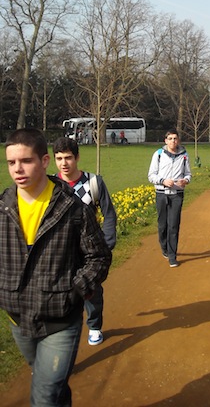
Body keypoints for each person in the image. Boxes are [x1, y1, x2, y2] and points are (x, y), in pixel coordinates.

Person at [0, 128, 111, 406]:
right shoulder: (2, 208)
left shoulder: (72, 208)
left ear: (44, 161)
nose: (17, 169)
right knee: (52, 386)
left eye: (26, 161)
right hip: (18, 319)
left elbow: (99, 257)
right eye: (11, 162)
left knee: (44, 395)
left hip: (60, 319)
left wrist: (75, 291)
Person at [53, 137, 117, 346]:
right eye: (59, 158)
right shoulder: (51, 185)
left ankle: (94, 325)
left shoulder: (94, 182)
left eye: (68, 158)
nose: (64, 163)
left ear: (77, 157)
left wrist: (107, 243)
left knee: (92, 290)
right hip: (62, 250)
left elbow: (109, 213)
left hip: (90, 250)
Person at [148, 129, 191, 267]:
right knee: (163, 225)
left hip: (177, 194)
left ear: (178, 140)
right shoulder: (158, 154)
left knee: (173, 225)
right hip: (161, 193)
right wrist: (163, 181)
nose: (173, 141)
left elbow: (188, 174)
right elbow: (151, 175)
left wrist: (185, 180)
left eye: (175, 138)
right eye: (170, 138)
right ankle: (164, 247)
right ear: (165, 141)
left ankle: (172, 255)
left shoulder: (184, 155)